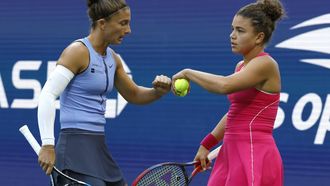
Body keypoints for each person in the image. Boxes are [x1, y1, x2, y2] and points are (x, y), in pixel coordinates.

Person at [37, 0, 171, 185]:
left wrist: (158, 92)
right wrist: (47, 144)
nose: (129, 30)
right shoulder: (77, 52)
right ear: (102, 23)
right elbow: (48, 94)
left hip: (98, 147)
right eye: (123, 23)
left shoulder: (112, 59)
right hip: (74, 149)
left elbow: (133, 94)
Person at [172, 0, 286, 185]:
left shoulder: (265, 64)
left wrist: (188, 73)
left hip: (253, 152)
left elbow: (224, 85)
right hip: (231, 152)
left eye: (240, 31)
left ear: (259, 37)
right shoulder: (241, 66)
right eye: (232, 29)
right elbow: (237, 111)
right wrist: (207, 144)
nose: (232, 36)